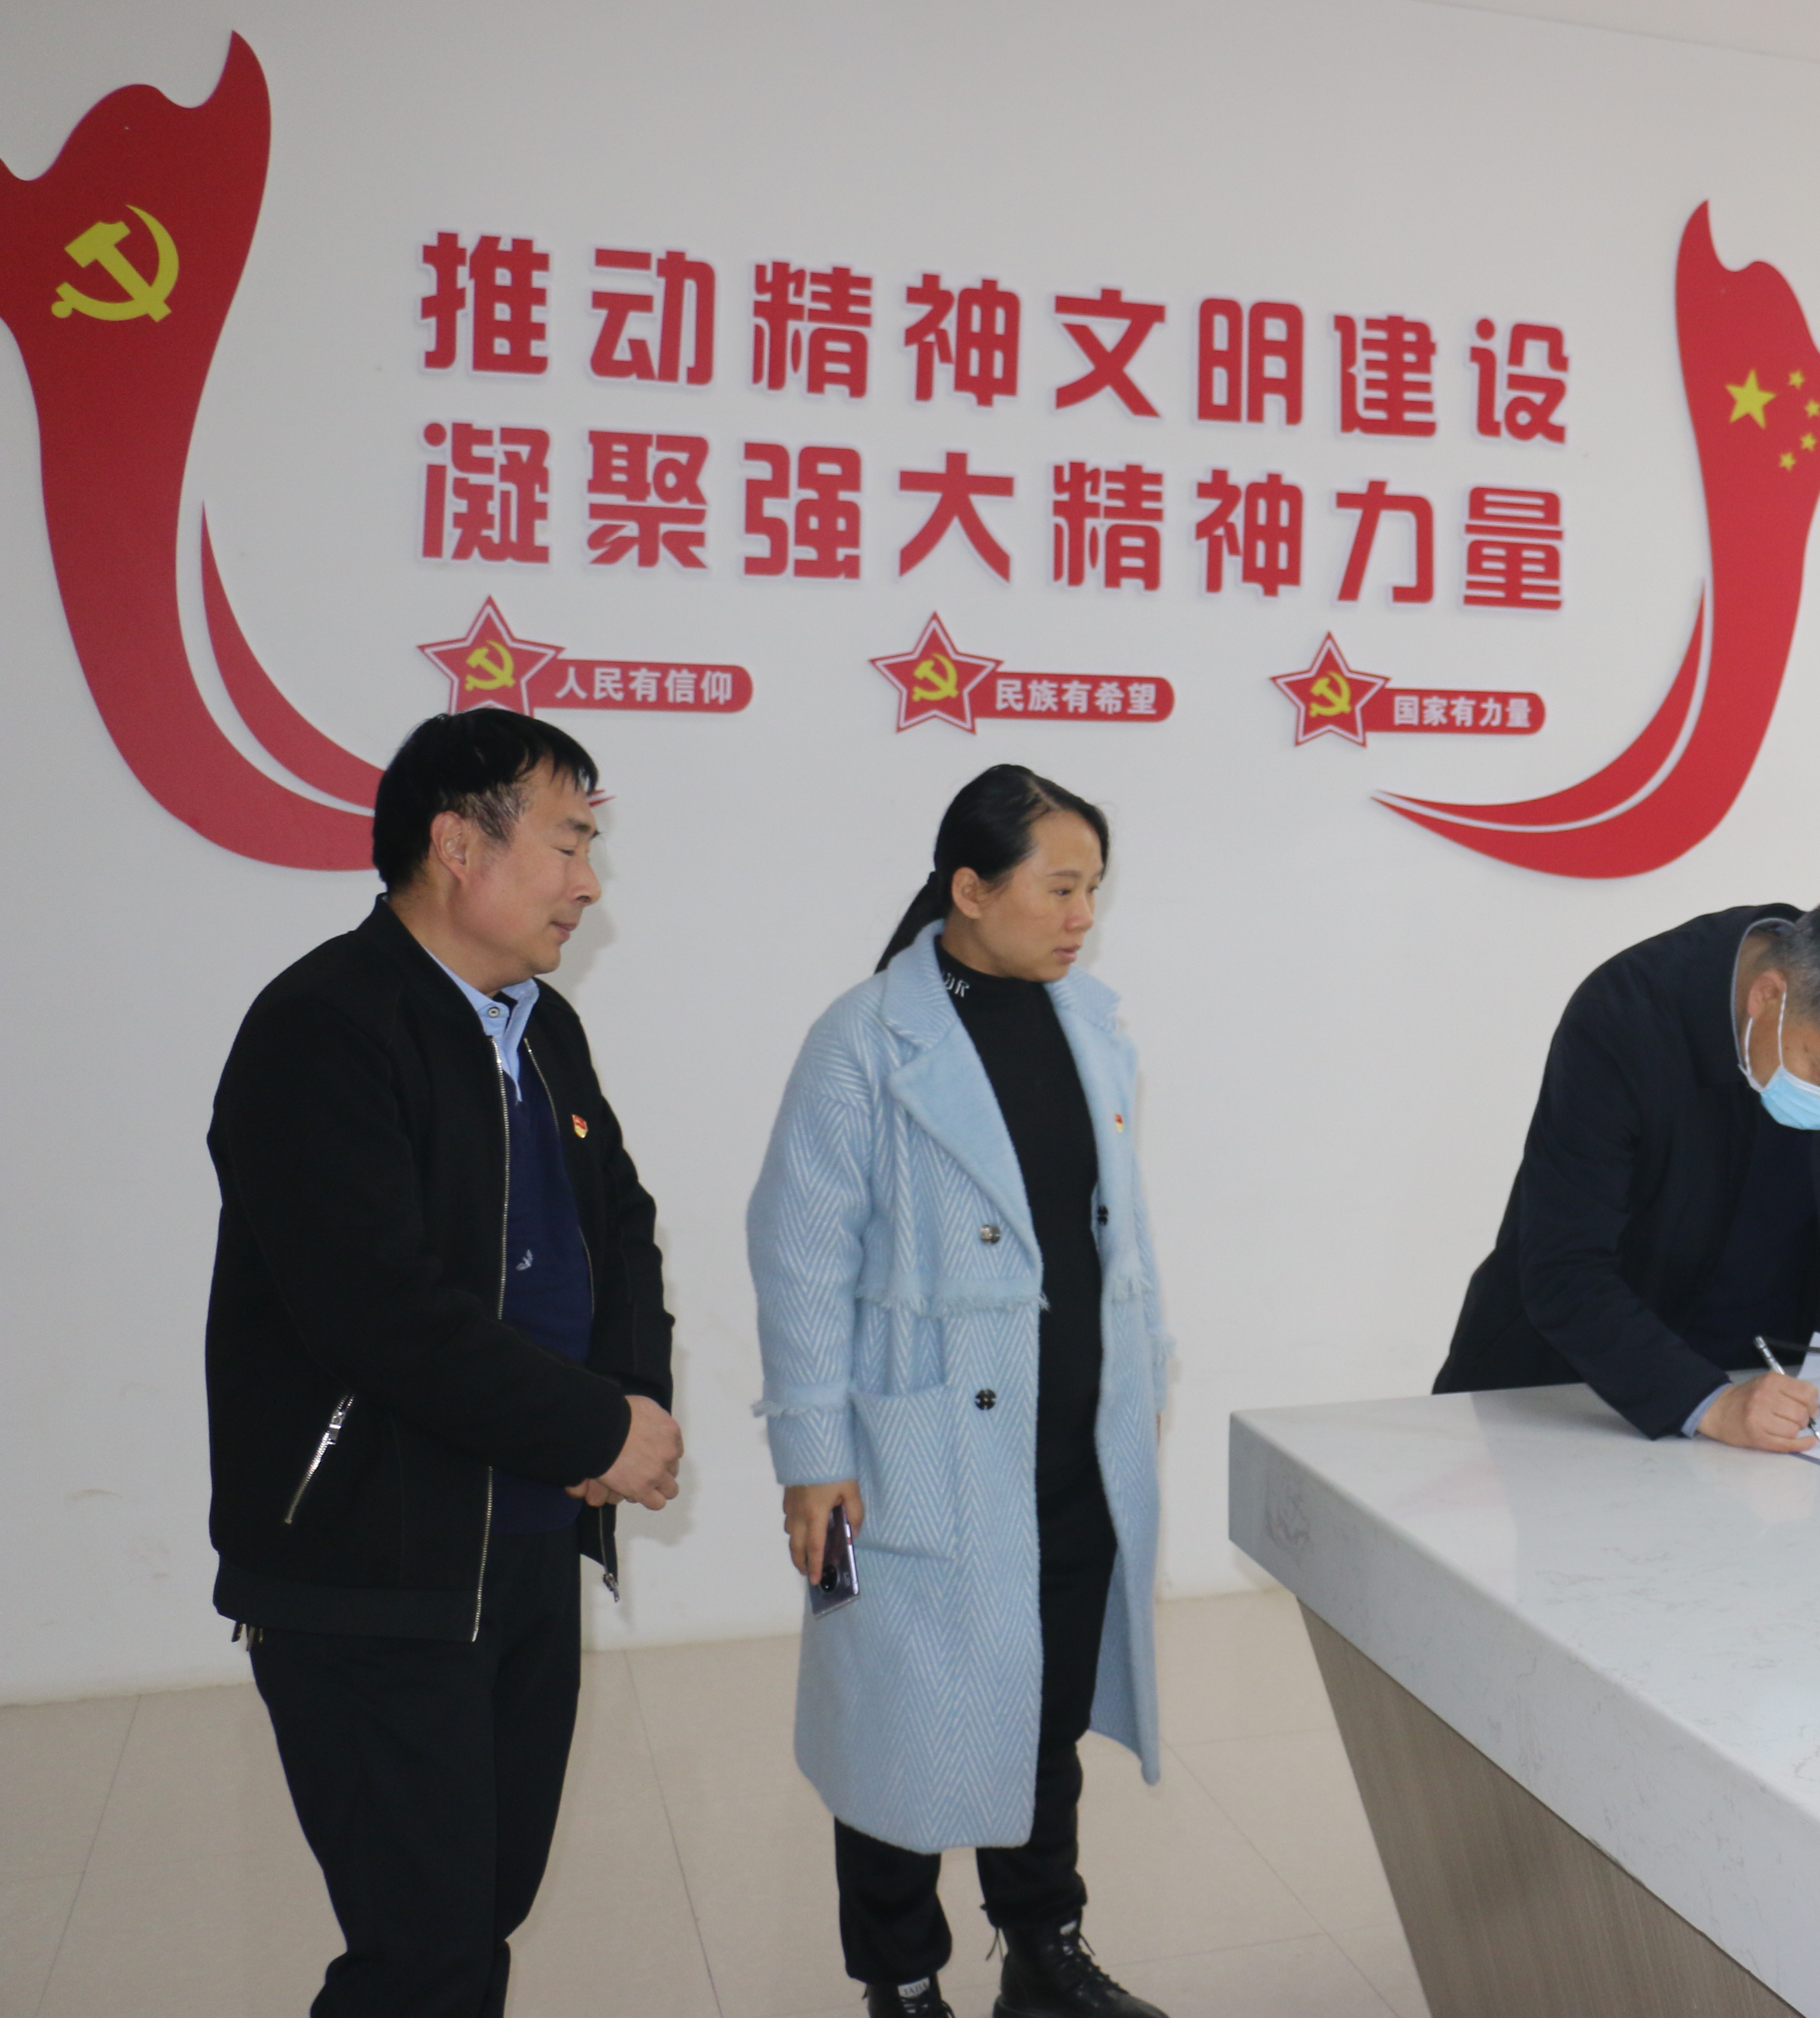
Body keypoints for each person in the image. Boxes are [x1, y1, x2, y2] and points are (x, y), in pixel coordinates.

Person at [206, 708, 684, 2018]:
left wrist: (632, 1396)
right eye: (568, 843)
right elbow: (378, 1311)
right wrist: (592, 1429)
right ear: (456, 845)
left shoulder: (541, 1029)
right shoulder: (324, 1026)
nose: (590, 881)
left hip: (527, 1538)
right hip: (370, 1564)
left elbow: (619, 1227)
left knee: (481, 1909)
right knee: (422, 1945)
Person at [752, 766, 1171, 2018]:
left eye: (1094, 889)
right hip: (920, 1455)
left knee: (1042, 1711)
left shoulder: (1088, 1022)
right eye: (1061, 887)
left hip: (1071, 1442)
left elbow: (1116, 1234)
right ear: (970, 889)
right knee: (899, 1725)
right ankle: (900, 1978)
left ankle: (1043, 1949)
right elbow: (800, 1256)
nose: (1082, 915)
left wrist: (1142, 1376)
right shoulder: (863, 1041)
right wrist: (812, 1454)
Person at [1433, 893, 1820, 1450]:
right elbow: (1564, 1265)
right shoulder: (1627, 1012)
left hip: (1760, 1386)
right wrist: (1704, 1400)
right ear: (1768, 996)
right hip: (1570, 1391)